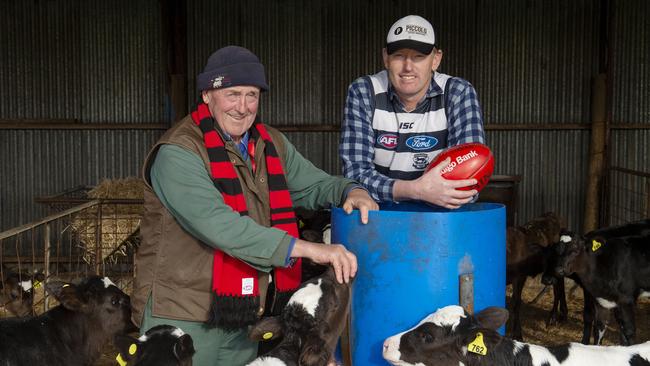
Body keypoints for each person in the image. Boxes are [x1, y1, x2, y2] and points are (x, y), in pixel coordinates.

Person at [131, 45, 377, 366]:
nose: (243, 107)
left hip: (245, 312)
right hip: (182, 315)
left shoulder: (268, 143)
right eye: (232, 94)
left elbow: (313, 184)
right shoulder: (178, 152)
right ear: (207, 94)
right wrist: (308, 249)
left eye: (252, 95)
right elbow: (220, 225)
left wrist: (350, 190)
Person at [339, 15, 486, 209]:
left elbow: (469, 178)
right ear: (386, 58)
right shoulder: (365, 91)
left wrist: (428, 193)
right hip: (379, 216)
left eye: (419, 57)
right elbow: (354, 175)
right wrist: (415, 189)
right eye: (399, 55)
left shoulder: (458, 93)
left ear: (435, 59)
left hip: (440, 217)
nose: (408, 67)